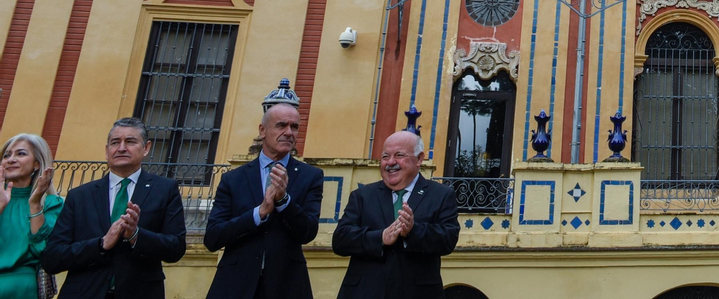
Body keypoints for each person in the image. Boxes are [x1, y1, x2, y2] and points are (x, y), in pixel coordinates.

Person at [203, 82, 325, 299]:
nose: (289, 132)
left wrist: (283, 201)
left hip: (287, 286)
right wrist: (258, 213)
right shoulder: (234, 179)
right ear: (262, 130)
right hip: (235, 285)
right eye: (281, 125)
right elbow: (213, 238)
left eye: (294, 126)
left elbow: (308, 232)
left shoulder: (310, 176)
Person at [42, 117, 186, 299]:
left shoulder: (165, 190)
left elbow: (176, 248)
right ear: (106, 150)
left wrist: (136, 235)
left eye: (130, 141)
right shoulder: (80, 196)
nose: (122, 148)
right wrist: (101, 244)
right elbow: (52, 258)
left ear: (146, 148)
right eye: (115, 142)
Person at [332, 130, 460, 299]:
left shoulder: (441, 195)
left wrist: (412, 232)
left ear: (419, 159)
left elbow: (448, 240)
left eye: (399, 155)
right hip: (364, 292)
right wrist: (380, 237)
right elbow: (340, 240)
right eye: (385, 157)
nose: (391, 162)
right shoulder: (363, 195)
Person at [0, 133, 62, 299]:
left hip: (21, 290)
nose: (11, 159)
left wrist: (34, 204)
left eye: (20, 154)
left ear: (37, 163)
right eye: (6, 155)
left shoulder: (51, 203)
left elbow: (42, 250)